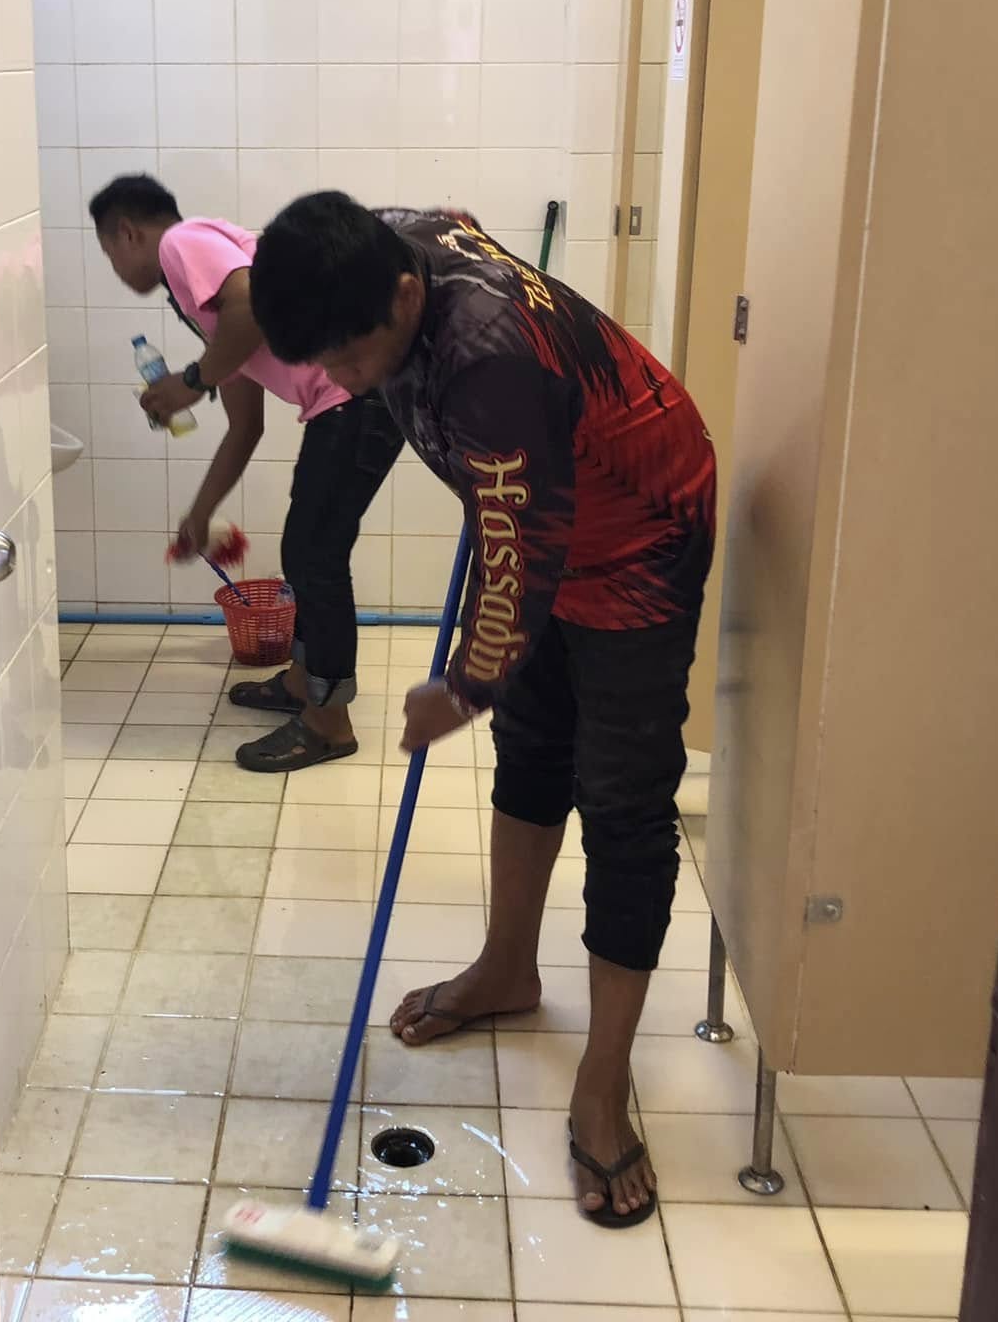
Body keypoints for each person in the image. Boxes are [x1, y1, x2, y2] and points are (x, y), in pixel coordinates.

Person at [248, 192, 716, 1228]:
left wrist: (459, 687)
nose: (346, 380)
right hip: (547, 503)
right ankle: (508, 969)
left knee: (624, 800)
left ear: (405, 296)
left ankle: (602, 1082)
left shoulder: (490, 370)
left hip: (638, 533)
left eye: (353, 357)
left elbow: (518, 562)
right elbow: (505, 521)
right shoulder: (381, 249)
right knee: (533, 746)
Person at [89, 175, 406, 772]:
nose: (115, 268)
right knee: (307, 551)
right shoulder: (210, 316)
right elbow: (245, 426)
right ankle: (303, 684)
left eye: (109, 252)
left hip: (358, 392)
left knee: (315, 554)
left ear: (128, 233)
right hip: (346, 400)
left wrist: (191, 382)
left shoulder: (182, 243)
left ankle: (329, 723)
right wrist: (200, 513)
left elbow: (250, 308)